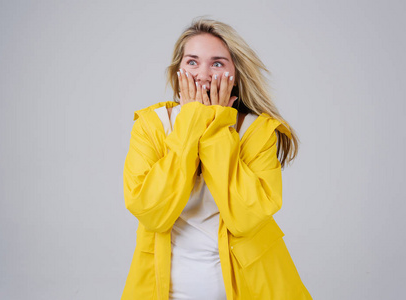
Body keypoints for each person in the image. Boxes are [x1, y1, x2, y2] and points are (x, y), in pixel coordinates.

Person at [121, 18, 312, 300]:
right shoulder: (151, 126)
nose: (203, 74)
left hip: (252, 289)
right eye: (192, 62)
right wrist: (191, 122)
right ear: (178, 71)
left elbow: (247, 216)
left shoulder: (258, 131)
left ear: (236, 72)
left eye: (218, 63)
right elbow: (151, 211)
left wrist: (217, 126)